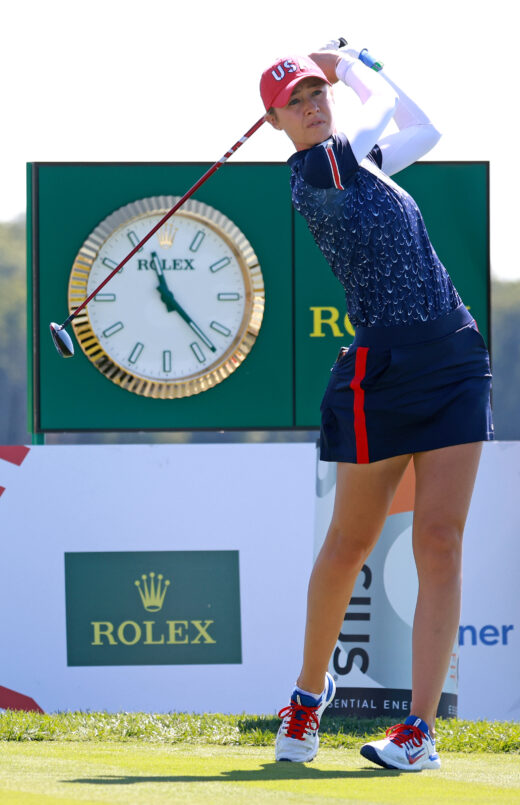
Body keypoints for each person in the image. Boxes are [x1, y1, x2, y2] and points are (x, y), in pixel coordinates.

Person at [260, 45, 494, 771]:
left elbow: (423, 126)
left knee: (442, 542)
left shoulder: (357, 163)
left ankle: (418, 729)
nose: (313, 103)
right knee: (350, 543)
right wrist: (350, 65)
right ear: (275, 122)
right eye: (296, 100)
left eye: (315, 92)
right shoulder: (314, 174)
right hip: (384, 372)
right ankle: (307, 694)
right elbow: (386, 113)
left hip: (453, 355)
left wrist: (353, 64)